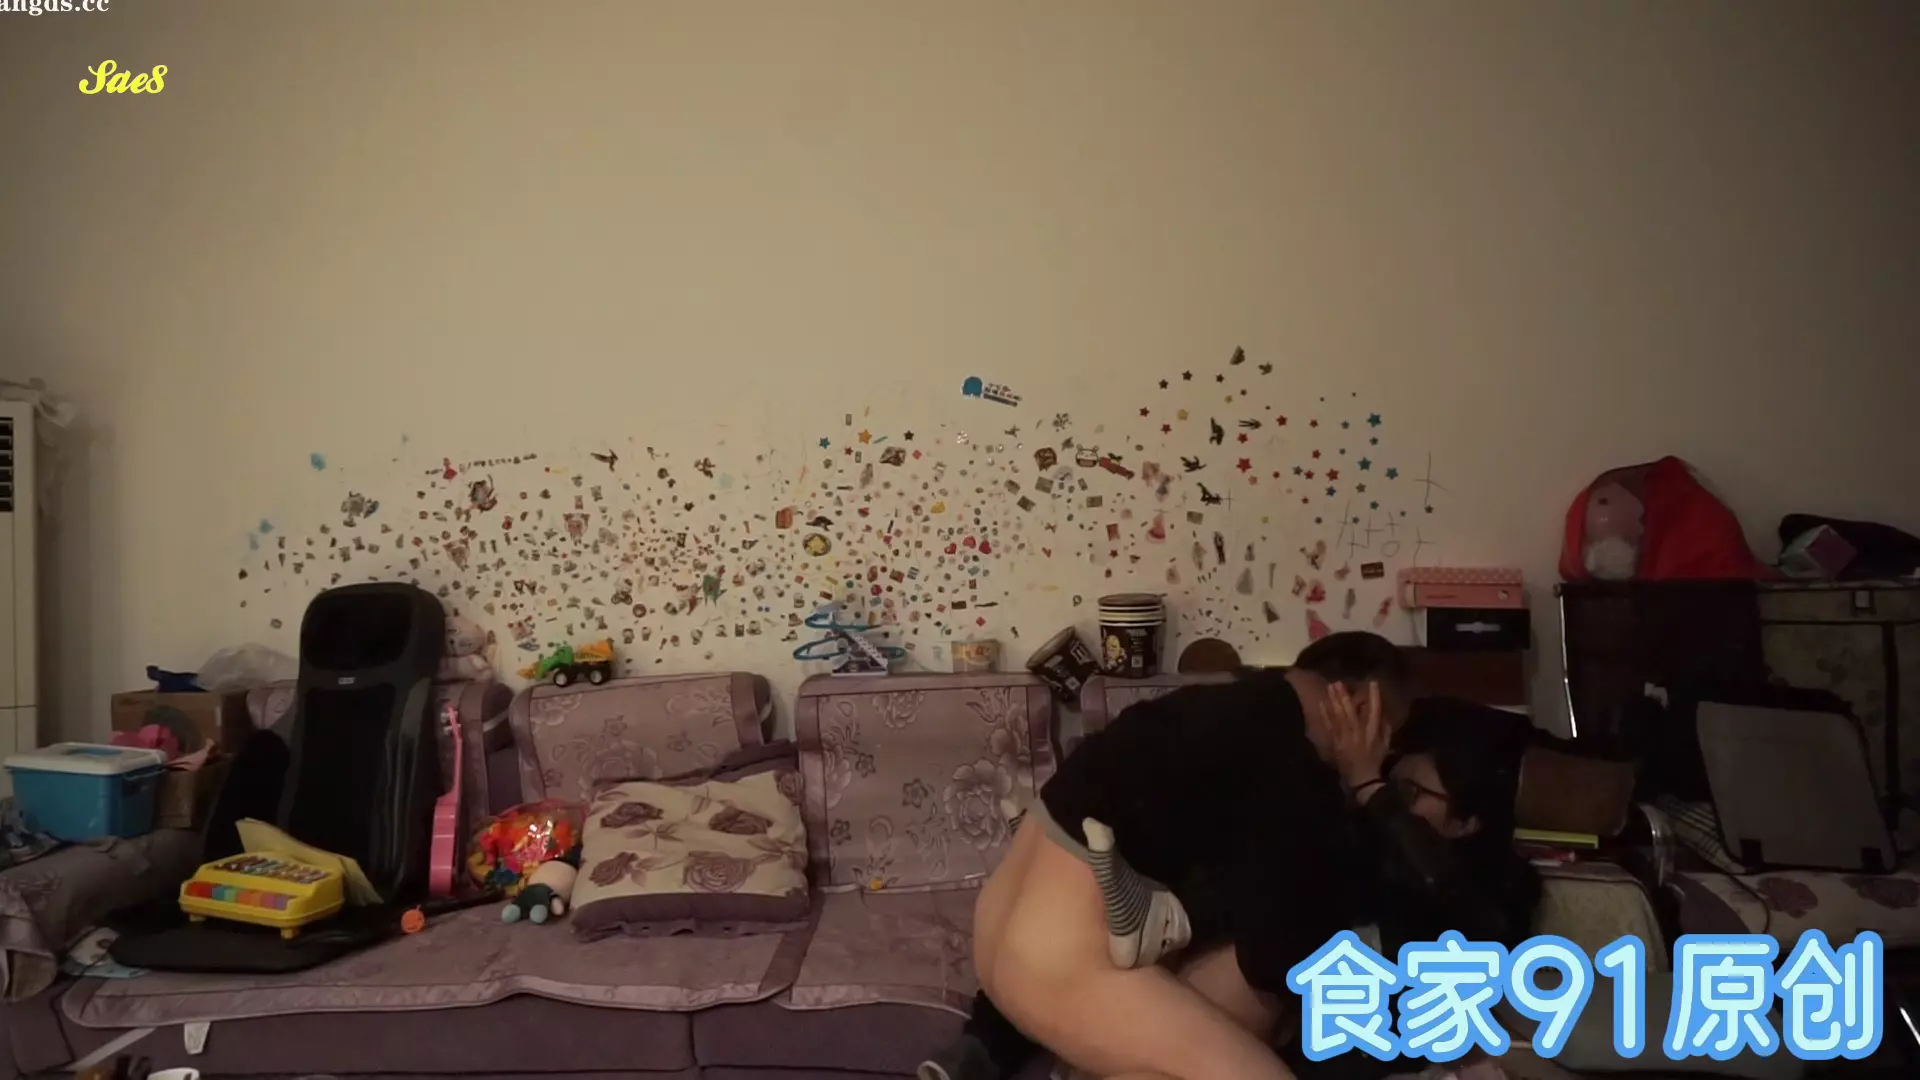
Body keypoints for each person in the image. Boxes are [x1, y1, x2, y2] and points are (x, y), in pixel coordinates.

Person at [922, 675, 1540, 1080]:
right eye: (1391, 781)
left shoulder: (1494, 886)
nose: (1384, 794)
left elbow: (1451, 917)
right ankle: (1007, 1036)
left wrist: (1372, 789)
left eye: (1409, 792)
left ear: (1466, 821)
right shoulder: (1346, 819)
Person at [948, 632, 1414, 1080]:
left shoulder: (1214, 704)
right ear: (1360, 707)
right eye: (1388, 732)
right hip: (1054, 962)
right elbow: (1275, 954)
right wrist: (1363, 777)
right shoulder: (1291, 764)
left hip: (996, 931)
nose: (1386, 749)